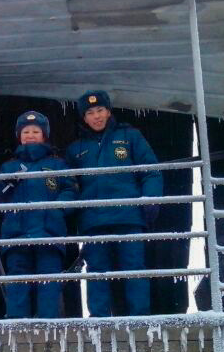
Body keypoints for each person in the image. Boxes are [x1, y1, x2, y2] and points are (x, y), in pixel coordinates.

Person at [65, 91, 163, 317]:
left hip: (128, 216)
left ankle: (139, 319)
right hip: (92, 221)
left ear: (109, 112)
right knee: (97, 270)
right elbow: (69, 185)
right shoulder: (75, 149)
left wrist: (150, 200)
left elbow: (151, 171)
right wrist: (69, 208)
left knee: (134, 268)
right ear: (84, 118)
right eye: (90, 113)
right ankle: (98, 320)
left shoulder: (130, 136)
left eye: (100, 110)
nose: (96, 116)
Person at [0, 111, 77, 318]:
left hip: (49, 232)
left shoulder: (57, 164)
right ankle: (16, 327)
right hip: (16, 234)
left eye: (35, 131)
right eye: (26, 131)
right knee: (17, 282)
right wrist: (7, 185)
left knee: (48, 281)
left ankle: (48, 326)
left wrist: (57, 208)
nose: (30, 135)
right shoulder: (8, 166)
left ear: (44, 135)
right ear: (19, 136)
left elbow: (71, 190)